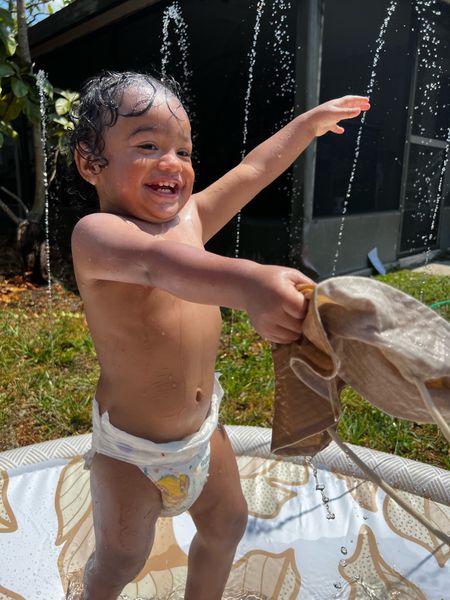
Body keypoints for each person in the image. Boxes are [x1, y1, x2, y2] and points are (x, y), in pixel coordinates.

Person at [70, 70, 370, 600]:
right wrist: (252, 281)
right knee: (121, 559)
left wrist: (306, 127)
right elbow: (157, 265)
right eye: (148, 145)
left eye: (183, 151)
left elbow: (253, 169)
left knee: (228, 525)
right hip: (131, 452)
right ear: (91, 162)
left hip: (203, 435)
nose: (172, 163)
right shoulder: (99, 237)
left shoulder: (191, 217)